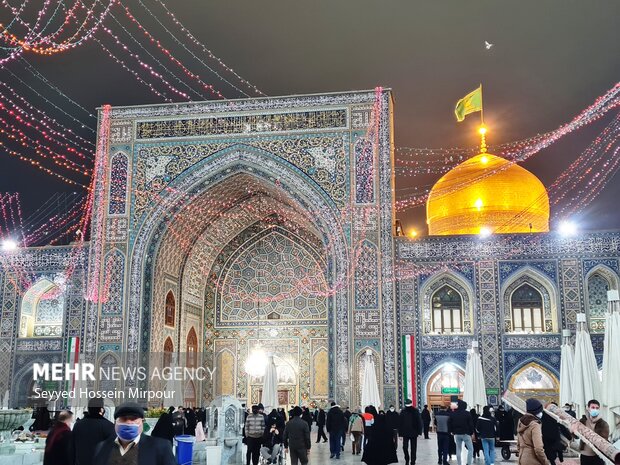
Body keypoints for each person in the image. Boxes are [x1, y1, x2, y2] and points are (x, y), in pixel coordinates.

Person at [92, 402, 175, 465]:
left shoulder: (161, 447)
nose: (129, 422)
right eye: (123, 419)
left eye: (133, 419)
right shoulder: (102, 447)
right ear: (115, 423)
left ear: (142, 422)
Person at [72, 398, 115, 465]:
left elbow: (72, 448)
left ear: (88, 409)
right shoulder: (109, 426)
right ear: (101, 409)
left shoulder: (78, 425)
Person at [516, 398, 548, 465]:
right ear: (536, 411)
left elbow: (518, 445)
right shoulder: (535, 425)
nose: (541, 413)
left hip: (522, 459)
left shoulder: (521, 422)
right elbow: (538, 449)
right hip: (533, 460)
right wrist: (545, 462)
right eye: (540, 411)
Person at [578, 399, 609, 465]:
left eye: (597, 408)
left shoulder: (603, 424)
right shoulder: (582, 421)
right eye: (593, 407)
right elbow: (575, 435)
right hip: (585, 455)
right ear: (588, 408)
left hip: (598, 456)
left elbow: (604, 440)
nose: (595, 409)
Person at [398, 399, 423, 465]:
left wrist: (420, 432)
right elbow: (400, 423)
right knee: (405, 447)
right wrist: (400, 434)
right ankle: (407, 458)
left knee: (413, 448)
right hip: (405, 433)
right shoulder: (403, 411)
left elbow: (419, 422)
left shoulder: (415, 411)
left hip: (414, 432)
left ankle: (413, 461)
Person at [449, 399, 474, 465]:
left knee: (458, 449)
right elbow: (471, 424)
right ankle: (468, 463)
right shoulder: (467, 414)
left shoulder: (453, 414)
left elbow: (450, 423)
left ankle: (459, 463)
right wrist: (471, 433)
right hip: (466, 434)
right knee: (470, 449)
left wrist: (452, 431)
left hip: (457, 434)